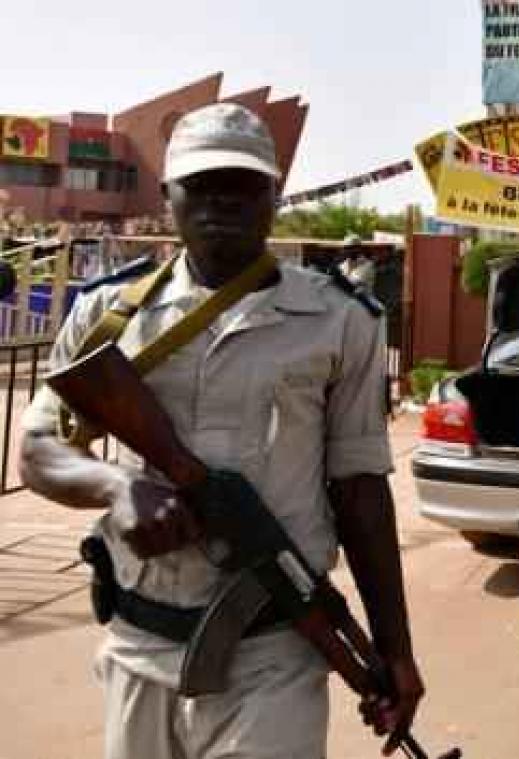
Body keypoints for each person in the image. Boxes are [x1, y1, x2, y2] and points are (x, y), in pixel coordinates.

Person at [18, 104, 423, 758]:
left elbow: (360, 490)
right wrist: (116, 485)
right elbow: (37, 450)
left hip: (273, 649)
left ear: (274, 195)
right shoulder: (107, 313)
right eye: (201, 183)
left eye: (242, 183)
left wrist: (394, 649)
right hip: (138, 645)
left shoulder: (341, 319)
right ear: (168, 194)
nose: (221, 199)